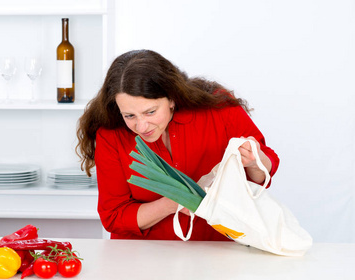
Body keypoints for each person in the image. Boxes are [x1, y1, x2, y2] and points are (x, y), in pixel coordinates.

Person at [76, 49, 279, 241]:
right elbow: (114, 217)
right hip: (142, 256)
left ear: (171, 98)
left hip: (217, 249)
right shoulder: (111, 134)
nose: (141, 125)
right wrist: (175, 202)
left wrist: (255, 161)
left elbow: (263, 175)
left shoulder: (219, 109)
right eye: (129, 115)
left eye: (150, 112)